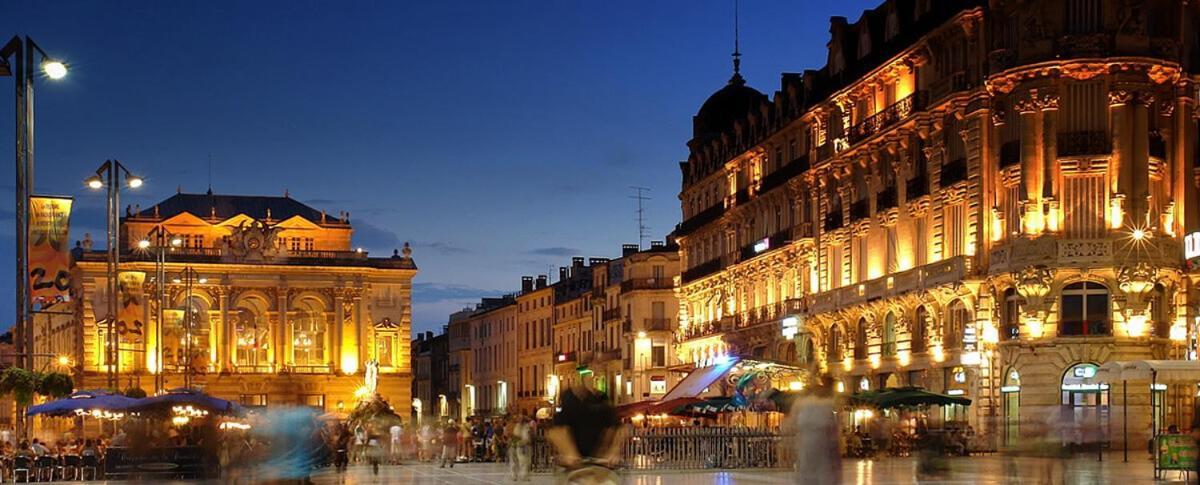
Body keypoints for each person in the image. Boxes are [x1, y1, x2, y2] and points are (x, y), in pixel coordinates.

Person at [547, 383, 625, 485]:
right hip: (574, 466)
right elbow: (556, 431)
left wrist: (613, 451)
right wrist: (568, 451)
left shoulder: (602, 406)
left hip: (600, 464)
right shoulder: (569, 406)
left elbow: (619, 429)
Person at [787, 375, 841, 485]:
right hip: (820, 447)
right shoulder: (826, 404)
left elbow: (792, 424)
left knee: (809, 473)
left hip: (809, 446)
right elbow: (833, 430)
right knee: (822, 474)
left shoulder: (801, 404)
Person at [509, 415, 532, 481]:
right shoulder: (515, 426)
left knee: (525, 462)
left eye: (521, 419)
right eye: (519, 419)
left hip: (524, 446)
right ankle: (514, 476)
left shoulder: (526, 426)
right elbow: (512, 435)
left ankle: (524, 476)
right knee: (514, 462)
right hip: (515, 446)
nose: (520, 420)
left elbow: (527, 436)